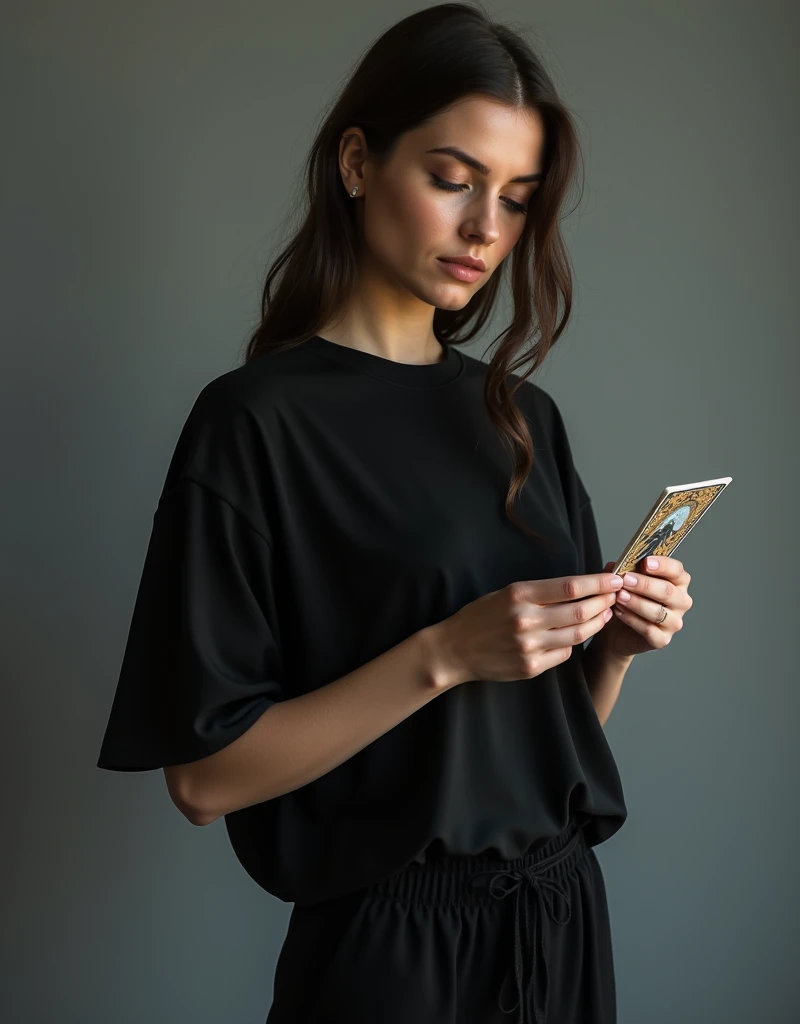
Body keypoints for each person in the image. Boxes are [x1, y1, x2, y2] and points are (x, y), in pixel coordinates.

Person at [97, 4, 634, 1022]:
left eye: (516, 199)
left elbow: (524, 743)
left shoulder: (523, 418)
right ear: (355, 161)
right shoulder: (253, 423)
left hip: (559, 925)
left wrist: (607, 655)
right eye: (451, 178)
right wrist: (443, 650)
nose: (485, 229)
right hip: (390, 956)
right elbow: (203, 780)